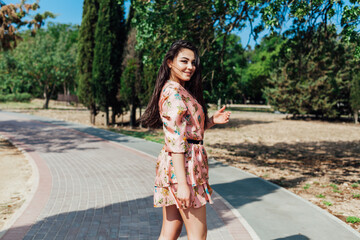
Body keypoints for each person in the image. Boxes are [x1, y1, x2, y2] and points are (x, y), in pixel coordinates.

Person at [140, 40, 231, 240]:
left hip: (179, 166)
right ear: (170, 62)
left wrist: (211, 121)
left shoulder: (179, 90)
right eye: (184, 61)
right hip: (184, 169)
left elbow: (188, 131)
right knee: (198, 235)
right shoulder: (173, 93)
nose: (190, 67)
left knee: (170, 231)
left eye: (193, 62)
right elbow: (176, 142)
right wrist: (183, 184)